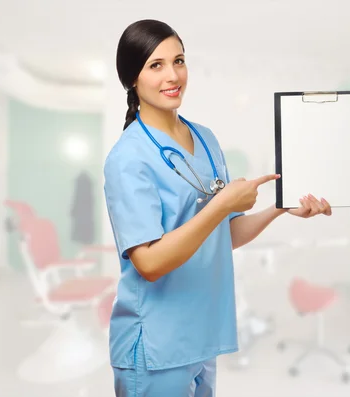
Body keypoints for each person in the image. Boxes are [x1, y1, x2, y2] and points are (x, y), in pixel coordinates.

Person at [104, 19, 333, 397]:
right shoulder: (127, 158)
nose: (173, 75)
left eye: (179, 60)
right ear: (132, 79)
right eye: (155, 65)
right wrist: (222, 203)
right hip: (156, 345)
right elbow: (149, 263)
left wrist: (280, 206)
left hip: (202, 335)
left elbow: (222, 235)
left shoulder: (206, 140)